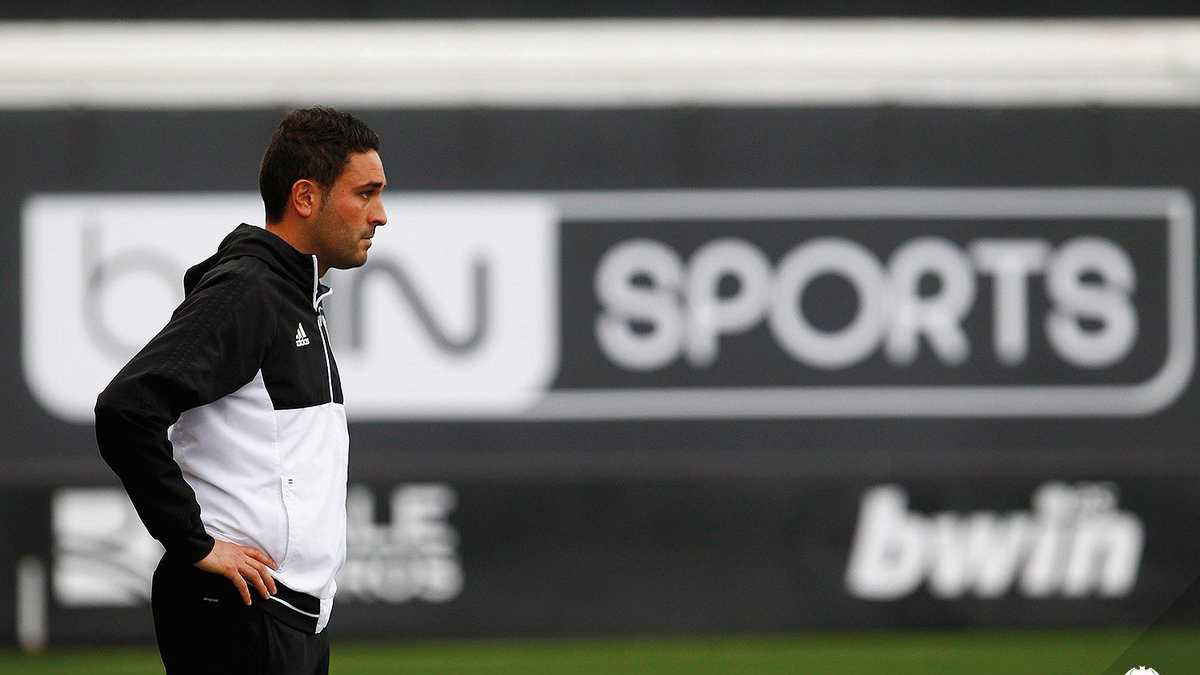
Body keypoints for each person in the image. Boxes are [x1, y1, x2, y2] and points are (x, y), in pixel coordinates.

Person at [94, 107, 387, 675]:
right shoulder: (248, 291)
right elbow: (125, 408)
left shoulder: (295, 294)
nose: (381, 215)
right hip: (240, 614)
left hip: (286, 617)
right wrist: (195, 542)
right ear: (305, 197)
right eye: (366, 193)